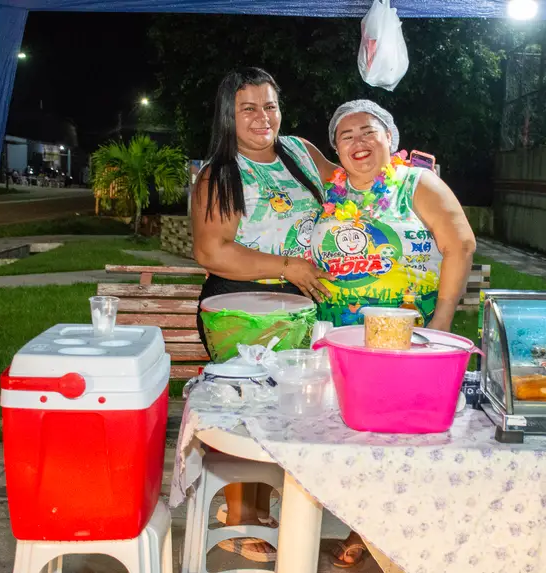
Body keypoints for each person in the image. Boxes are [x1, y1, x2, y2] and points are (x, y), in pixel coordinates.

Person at [310, 100, 476, 567]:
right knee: (349, 433)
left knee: (397, 437)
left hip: (409, 338)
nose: (358, 142)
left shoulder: (417, 183)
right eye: (346, 136)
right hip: (342, 335)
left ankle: (378, 530)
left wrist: (442, 320)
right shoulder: (330, 191)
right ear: (336, 150)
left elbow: (460, 243)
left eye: (368, 131)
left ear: (390, 139)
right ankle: (362, 521)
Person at [191, 67, 337, 563]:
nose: (262, 117)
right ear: (228, 115)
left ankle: (259, 502)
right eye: (248, 108)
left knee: (284, 412)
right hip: (240, 304)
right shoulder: (221, 173)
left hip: (298, 302)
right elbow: (212, 252)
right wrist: (288, 266)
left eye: (269, 105)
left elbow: (351, 183)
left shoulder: (299, 152)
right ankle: (240, 515)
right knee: (246, 410)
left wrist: (404, 175)